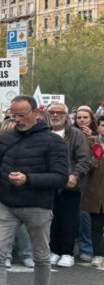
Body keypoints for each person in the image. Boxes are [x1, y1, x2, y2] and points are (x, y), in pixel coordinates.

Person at [0, 95, 69, 285]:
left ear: (36, 113)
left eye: (22, 115)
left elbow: (60, 178)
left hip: (38, 206)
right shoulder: (6, 138)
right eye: (13, 115)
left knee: (40, 256)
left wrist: (28, 179)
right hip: (7, 204)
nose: (17, 119)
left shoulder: (54, 142)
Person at [44, 102, 91, 268]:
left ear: (66, 115)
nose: (55, 115)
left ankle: (67, 252)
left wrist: (75, 175)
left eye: (59, 112)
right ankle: (54, 250)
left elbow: (85, 159)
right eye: (52, 112)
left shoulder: (76, 135)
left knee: (68, 219)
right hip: (48, 184)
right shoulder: (43, 133)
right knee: (51, 219)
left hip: (70, 185)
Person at [73, 106, 97, 263]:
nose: (82, 120)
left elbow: (96, 158)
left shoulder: (97, 136)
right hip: (75, 177)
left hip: (92, 180)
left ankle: (86, 248)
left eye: (85, 117)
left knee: (85, 214)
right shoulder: (71, 135)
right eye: (79, 117)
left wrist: (92, 139)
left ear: (91, 119)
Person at [81, 116, 104, 269]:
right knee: (96, 224)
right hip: (96, 189)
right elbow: (84, 164)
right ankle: (98, 254)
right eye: (102, 125)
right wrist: (95, 159)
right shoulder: (91, 142)